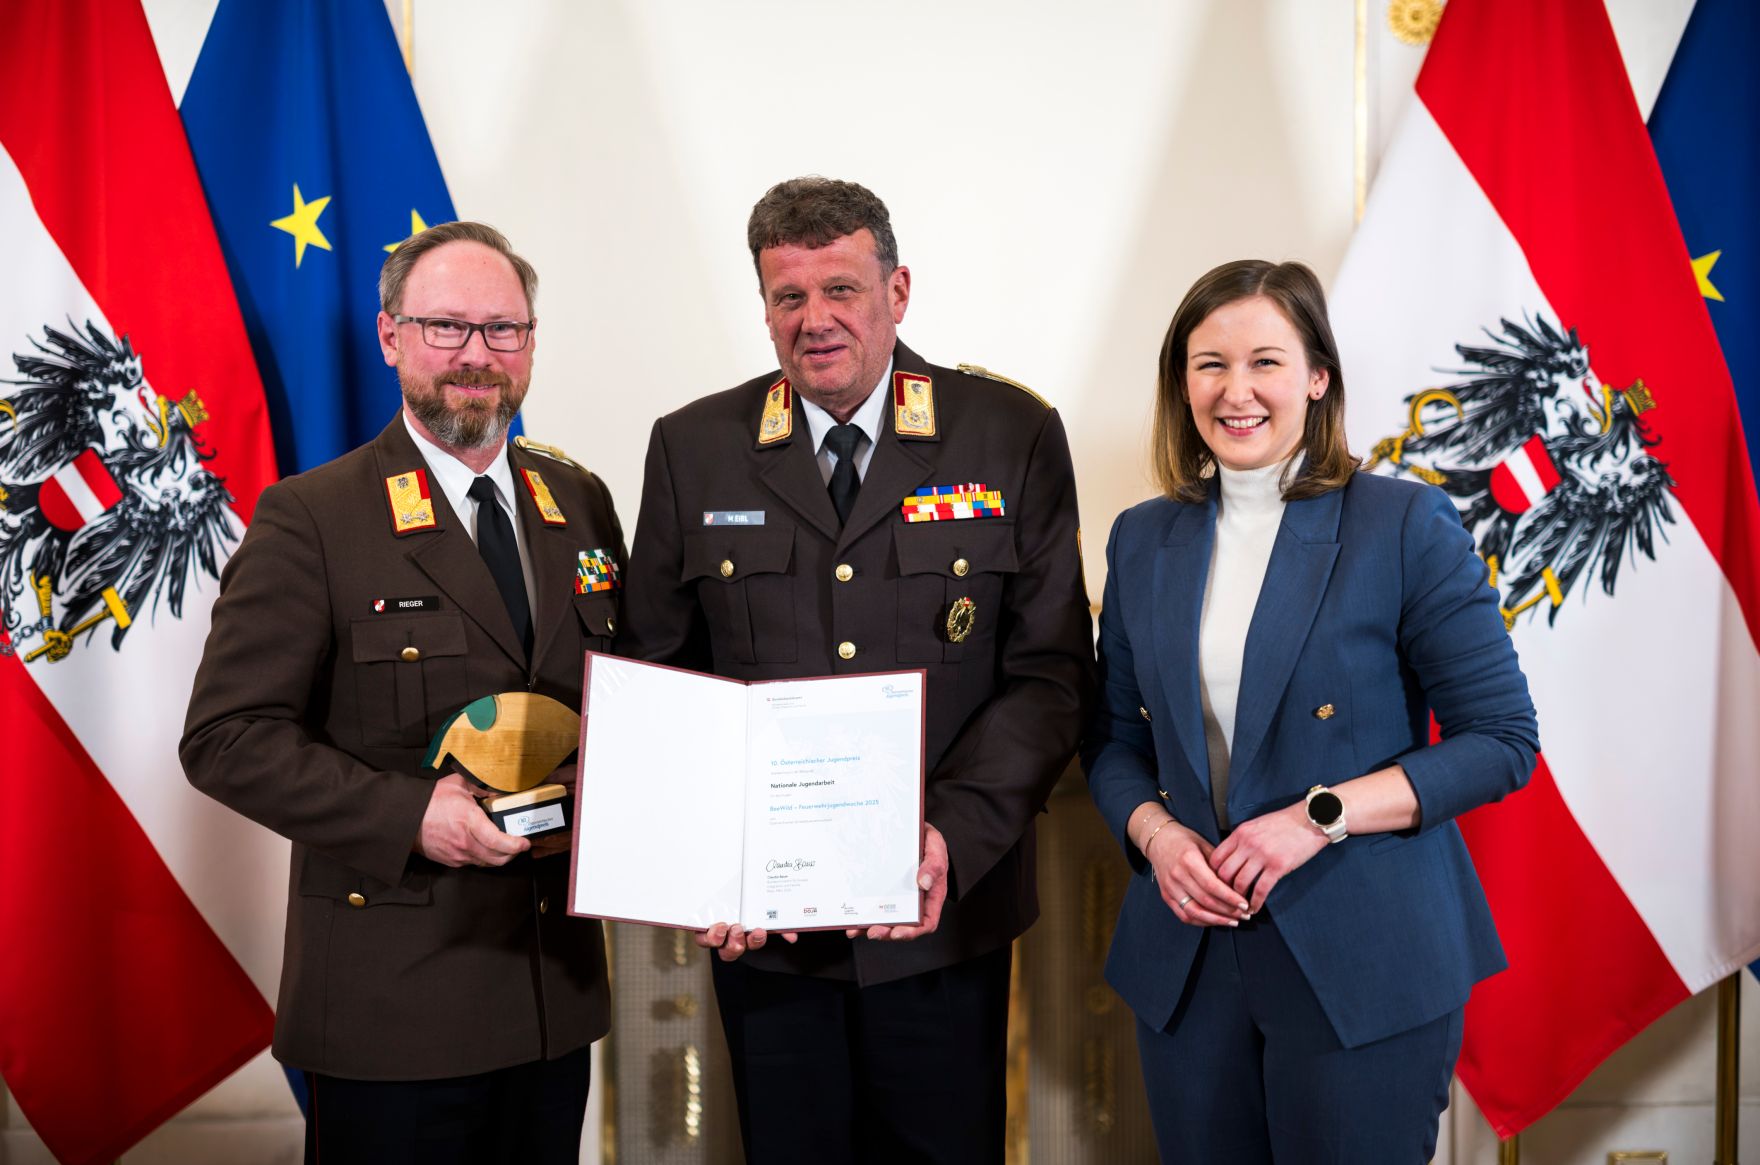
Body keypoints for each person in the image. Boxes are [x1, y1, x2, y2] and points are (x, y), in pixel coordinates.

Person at [615, 176, 1094, 1164]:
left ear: (897, 290)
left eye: (840, 289)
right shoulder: (692, 450)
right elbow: (659, 684)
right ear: (763, 307)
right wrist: (709, 860)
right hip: (767, 933)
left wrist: (946, 839)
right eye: (787, 297)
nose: (814, 319)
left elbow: (1049, 674)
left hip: (940, 916)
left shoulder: (1007, 435)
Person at [180, 221, 623, 1165]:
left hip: (553, 997)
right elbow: (225, 735)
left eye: (503, 330)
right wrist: (409, 814)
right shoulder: (314, 516)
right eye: (447, 327)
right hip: (395, 1011)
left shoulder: (576, 501)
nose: (477, 355)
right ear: (391, 339)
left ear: (531, 344)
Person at [1082, 259, 1538, 1163]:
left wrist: (1317, 817)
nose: (1235, 390)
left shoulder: (1404, 525)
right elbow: (1112, 741)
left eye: (1265, 361)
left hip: (1361, 957)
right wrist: (1156, 836)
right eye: (1209, 363)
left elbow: (1502, 743)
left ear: (1317, 376)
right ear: (1183, 382)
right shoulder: (1142, 536)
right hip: (1190, 956)